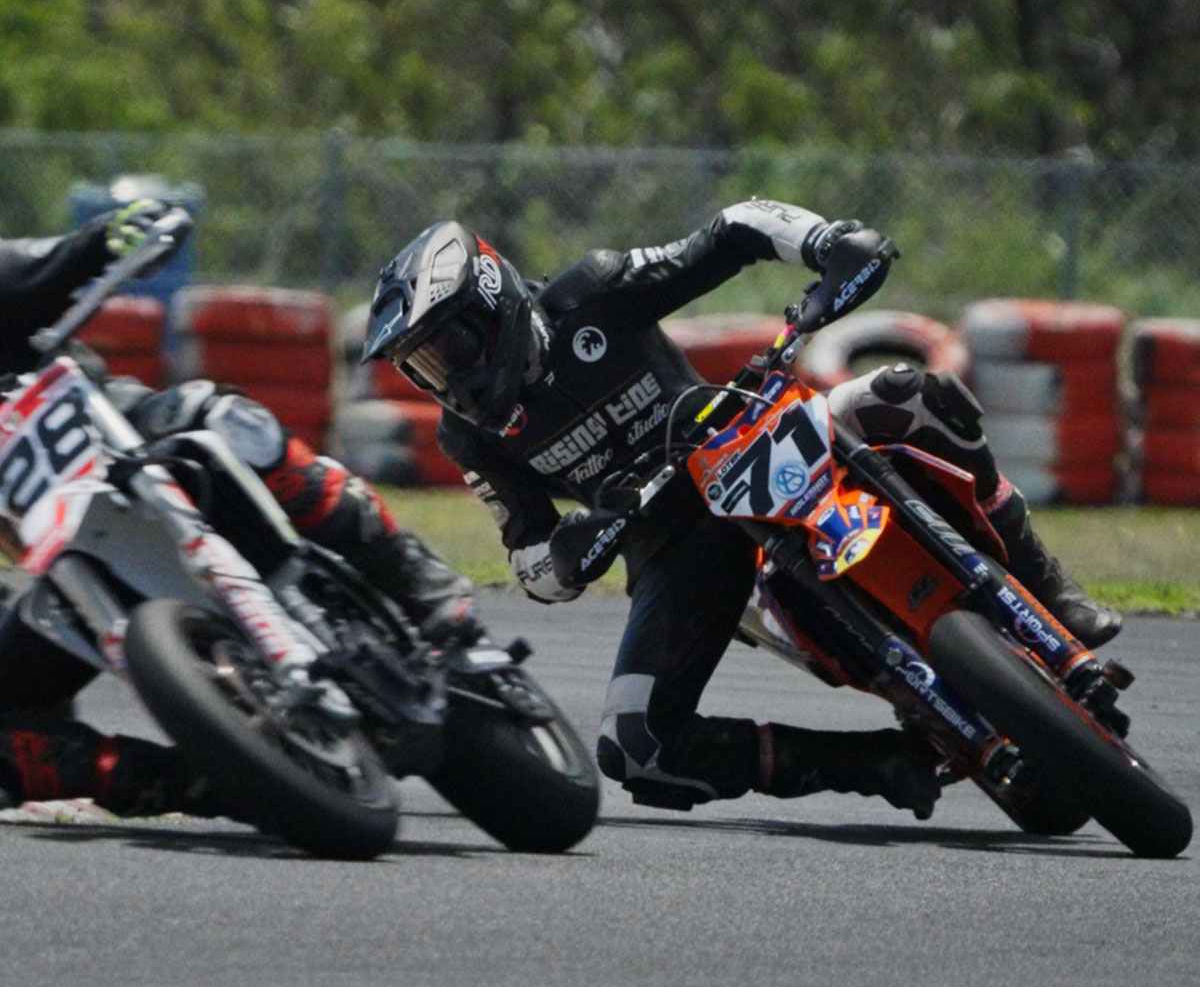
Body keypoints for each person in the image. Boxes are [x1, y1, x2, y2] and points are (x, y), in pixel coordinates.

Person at [359, 203, 1122, 818]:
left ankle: (1051, 592)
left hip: (755, 437)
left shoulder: (593, 293)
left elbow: (731, 232)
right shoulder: (470, 436)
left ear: (491, 307)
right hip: (673, 548)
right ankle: (871, 765)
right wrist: (573, 550)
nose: (444, 376)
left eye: (446, 348)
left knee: (911, 396)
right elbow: (529, 563)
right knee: (636, 747)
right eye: (423, 366)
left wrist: (827, 242)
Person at [0, 200, 481, 819]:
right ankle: (202, 778)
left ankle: (426, 593)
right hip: (66, 562)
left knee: (227, 420)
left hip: (123, 440)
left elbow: (66, 255)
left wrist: (128, 229)